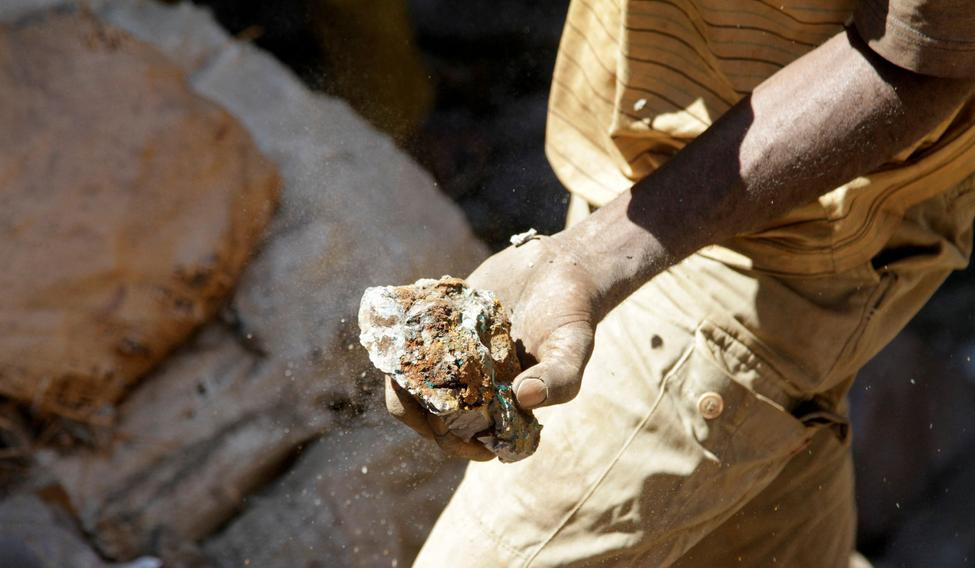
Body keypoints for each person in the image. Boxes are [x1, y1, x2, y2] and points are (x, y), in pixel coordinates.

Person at [389, 1, 975, 565]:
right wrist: (590, 248)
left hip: (768, 252)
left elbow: (924, 56)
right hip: (633, 188)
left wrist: (592, 257)